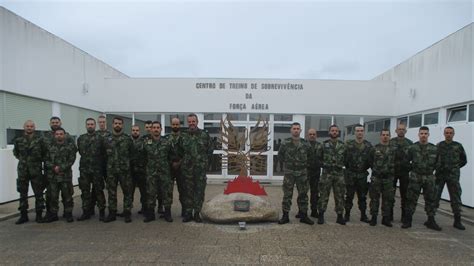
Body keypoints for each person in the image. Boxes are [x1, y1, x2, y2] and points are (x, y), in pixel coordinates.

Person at [402, 126, 441, 231]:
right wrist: (413, 169)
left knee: (431, 200)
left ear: (428, 135)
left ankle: (431, 220)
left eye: (425, 133)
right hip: (416, 177)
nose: (423, 135)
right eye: (422, 133)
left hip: (429, 177)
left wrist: (434, 174)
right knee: (411, 199)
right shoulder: (412, 148)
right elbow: (405, 161)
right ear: (418, 134)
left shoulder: (434, 149)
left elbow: (439, 164)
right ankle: (408, 220)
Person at [277, 122, 314, 225]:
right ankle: (285, 216)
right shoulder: (285, 143)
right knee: (287, 195)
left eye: (298, 128)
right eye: (294, 128)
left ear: (300, 130)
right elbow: (280, 156)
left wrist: (303, 165)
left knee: (303, 194)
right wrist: (289, 164)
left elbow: (311, 157)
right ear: (291, 130)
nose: (296, 130)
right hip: (289, 173)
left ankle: (304, 215)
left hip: (302, 173)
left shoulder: (306, 143)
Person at [180, 113, 212, 223]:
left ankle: (197, 213)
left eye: (193, 121)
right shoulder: (183, 136)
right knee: (188, 192)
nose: (191, 123)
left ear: (197, 122)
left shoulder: (204, 134)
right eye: (189, 122)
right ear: (187, 122)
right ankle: (188, 213)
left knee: (199, 191)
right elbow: (179, 152)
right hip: (187, 170)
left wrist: (204, 162)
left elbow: (210, 150)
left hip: (200, 170)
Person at [13, 120, 46, 224]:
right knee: (23, 194)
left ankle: (39, 215)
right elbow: (16, 153)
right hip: (23, 170)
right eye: (27, 126)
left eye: (31, 126)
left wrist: (34, 162)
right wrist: (25, 161)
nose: (29, 128)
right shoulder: (18, 140)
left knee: (39, 194)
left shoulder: (40, 140)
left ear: (34, 128)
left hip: (36, 170)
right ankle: (23, 216)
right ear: (24, 127)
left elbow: (44, 153)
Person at [435, 126, 467, 230]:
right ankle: (431, 218)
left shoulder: (458, 146)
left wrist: (455, 167)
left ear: (453, 134)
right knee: (435, 196)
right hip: (440, 175)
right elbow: (434, 159)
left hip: (453, 176)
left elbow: (464, 160)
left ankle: (457, 221)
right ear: (444, 134)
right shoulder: (439, 146)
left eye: (450, 133)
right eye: (447, 133)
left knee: (455, 198)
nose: (448, 134)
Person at [42, 128, 77, 223]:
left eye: (61, 134)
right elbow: (46, 160)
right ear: (54, 135)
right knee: (53, 196)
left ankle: (68, 213)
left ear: (64, 135)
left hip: (65, 176)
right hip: (52, 176)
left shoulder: (70, 147)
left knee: (67, 196)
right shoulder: (49, 147)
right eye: (57, 134)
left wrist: (60, 168)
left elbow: (71, 160)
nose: (59, 135)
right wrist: (53, 167)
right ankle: (54, 214)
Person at [103, 117, 134, 223]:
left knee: (127, 192)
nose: (117, 125)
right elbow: (103, 155)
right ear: (112, 124)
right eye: (116, 123)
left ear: (122, 125)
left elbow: (132, 155)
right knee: (111, 192)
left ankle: (127, 212)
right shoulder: (106, 139)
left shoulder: (127, 139)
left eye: (119, 123)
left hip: (124, 171)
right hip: (111, 170)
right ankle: (112, 213)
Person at [76, 118, 106, 221]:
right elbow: (80, 151)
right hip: (84, 169)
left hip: (97, 169)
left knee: (99, 191)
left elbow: (103, 153)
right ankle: (86, 212)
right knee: (85, 191)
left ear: (95, 125)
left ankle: (102, 212)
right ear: (85, 125)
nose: (90, 126)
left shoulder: (100, 138)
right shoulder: (81, 138)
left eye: (92, 124)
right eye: (88, 124)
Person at [143, 121, 173, 222]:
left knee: (166, 193)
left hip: (164, 172)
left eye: (157, 127)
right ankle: (150, 215)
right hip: (151, 172)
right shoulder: (145, 142)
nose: (156, 129)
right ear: (151, 129)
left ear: (161, 129)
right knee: (151, 193)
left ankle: (167, 214)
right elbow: (142, 157)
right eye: (154, 128)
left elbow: (172, 156)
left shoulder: (167, 142)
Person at [344, 124, 372, 223]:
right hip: (351, 174)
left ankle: (363, 215)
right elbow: (345, 160)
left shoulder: (368, 146)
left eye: (361, 131)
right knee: (349, 196)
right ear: (355, 132)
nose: (359, 132)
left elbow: (371, 161)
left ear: (363, 132)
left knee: (363, 197)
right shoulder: (348, 145)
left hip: (362, 175)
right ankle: (347, 215)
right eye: (358, 131)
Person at [318, 125, 346, 225]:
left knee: (340, 195)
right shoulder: (323, 145)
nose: (334, 132)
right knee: (323, 195)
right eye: (332, 130)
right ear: (329, 132)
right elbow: (318, 158)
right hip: (327, 174)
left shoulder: (343, 145)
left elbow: (346, 159)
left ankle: (339, 216)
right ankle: (321, 215)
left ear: (338, 133)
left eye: (336, 131)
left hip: (339, 174)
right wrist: (325, 165)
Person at [368, 129, 395, 227]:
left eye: (387, 135)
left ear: (390, 136)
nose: (385, 136)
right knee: (374, 198)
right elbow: (370, 161)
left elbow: (397, 162)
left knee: (387, 199)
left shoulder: (394, 149)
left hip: (388, 178)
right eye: (383, 135)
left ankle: (385, 219)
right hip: (377, 178)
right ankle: (374, 217)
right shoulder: (374, 149)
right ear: (380, 136)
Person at [389, 123, 413, 222]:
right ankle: (389, 215)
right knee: (390, 195)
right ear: (396, 131)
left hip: (404, 173)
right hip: (392, 172)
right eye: (399, 129)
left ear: (406, 131)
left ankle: (404, 216)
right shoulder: (391, 142)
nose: (401, 131)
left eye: (403, 129)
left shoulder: (410, 143)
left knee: (405, 196)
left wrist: (409, 167)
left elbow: (414, 157)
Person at [167, 117, 185, 216]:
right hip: (169, 168)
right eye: (173, 124)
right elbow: (164, 153)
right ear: (171, 125)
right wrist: (171, 163)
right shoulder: (166, 138)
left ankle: (184, 211)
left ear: (180, 125)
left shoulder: (184, 138)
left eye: (177, 124)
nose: (175, 126)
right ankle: (168, 212)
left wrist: (179, 163)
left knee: (182, 190)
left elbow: (187, 152)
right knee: (168, 191)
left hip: (181, 168)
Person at [130, 125, 147, 215]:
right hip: (130, 171)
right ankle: (128, 209)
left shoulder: (144, 141)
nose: (135, 132)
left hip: (141, 171)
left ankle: (144, 208)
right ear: (131, 131)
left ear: (139, 131)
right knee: (129, 191)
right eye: (133, 130)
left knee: (144, 191)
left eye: (137, 130)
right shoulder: (127, 141)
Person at [306, 128, 322, 218]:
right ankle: (302, 211)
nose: (312, 136)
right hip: (305, 172)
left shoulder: (320, 146)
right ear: (308, 135)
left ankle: (314, 210)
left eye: (314, 134)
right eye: (310, 134)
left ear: (316, 135)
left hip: (316, 172)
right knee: (303, 192)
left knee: (315, 193)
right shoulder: (303, 145)